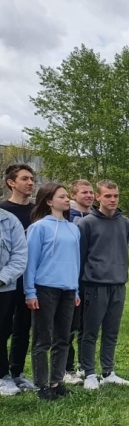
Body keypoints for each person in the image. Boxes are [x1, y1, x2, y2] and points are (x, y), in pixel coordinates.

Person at [23, 183, 81, 401]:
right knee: (42, 339)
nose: (67, 200)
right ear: (49, 201)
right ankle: (42, 385)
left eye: (68, 197)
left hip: (67, 290)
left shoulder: (73, 228)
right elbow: (31, 262)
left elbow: (75, 261)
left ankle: (57, 382)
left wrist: (75, 289)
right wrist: (30, 292)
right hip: (45, 289)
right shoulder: (39, 228)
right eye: (62, 196)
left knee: (63, 338)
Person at [76, 180, 129, 389]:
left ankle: (108, 371)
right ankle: (89, 372)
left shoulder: (124, 222)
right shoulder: (86, 223)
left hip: (118, 284)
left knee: (112, 331)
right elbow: (81, 256)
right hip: (94, 285)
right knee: (90, 331)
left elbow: (121, 247)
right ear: (98, 197)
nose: (112, 200)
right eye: (108, 196)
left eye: (115, 196)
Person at [0, 164, 37, 394]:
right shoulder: (4, 211)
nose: (31, 182)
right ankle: (3, 374)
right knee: (3, 328)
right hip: (6, 282)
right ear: (11, 182)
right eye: (25, 178)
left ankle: (17, 372)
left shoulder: (37, 212)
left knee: (24, 326)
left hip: (29, 278)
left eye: (32, 179)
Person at [64, 179, 96, 385]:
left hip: (92, 278)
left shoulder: (97, 217)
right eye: (84, 192)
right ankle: (66, 367)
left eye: (92, 192)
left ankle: (85, 366)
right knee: (69, 325)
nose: (89, 195)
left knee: (88, 324)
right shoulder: (67, 218)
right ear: (73, 195)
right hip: (71, 278)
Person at [0, 207, 27, 396]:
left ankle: (3, 375)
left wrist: (2, 278)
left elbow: (19, 255)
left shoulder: (9, 221)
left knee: (2, 331)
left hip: (4, 286)